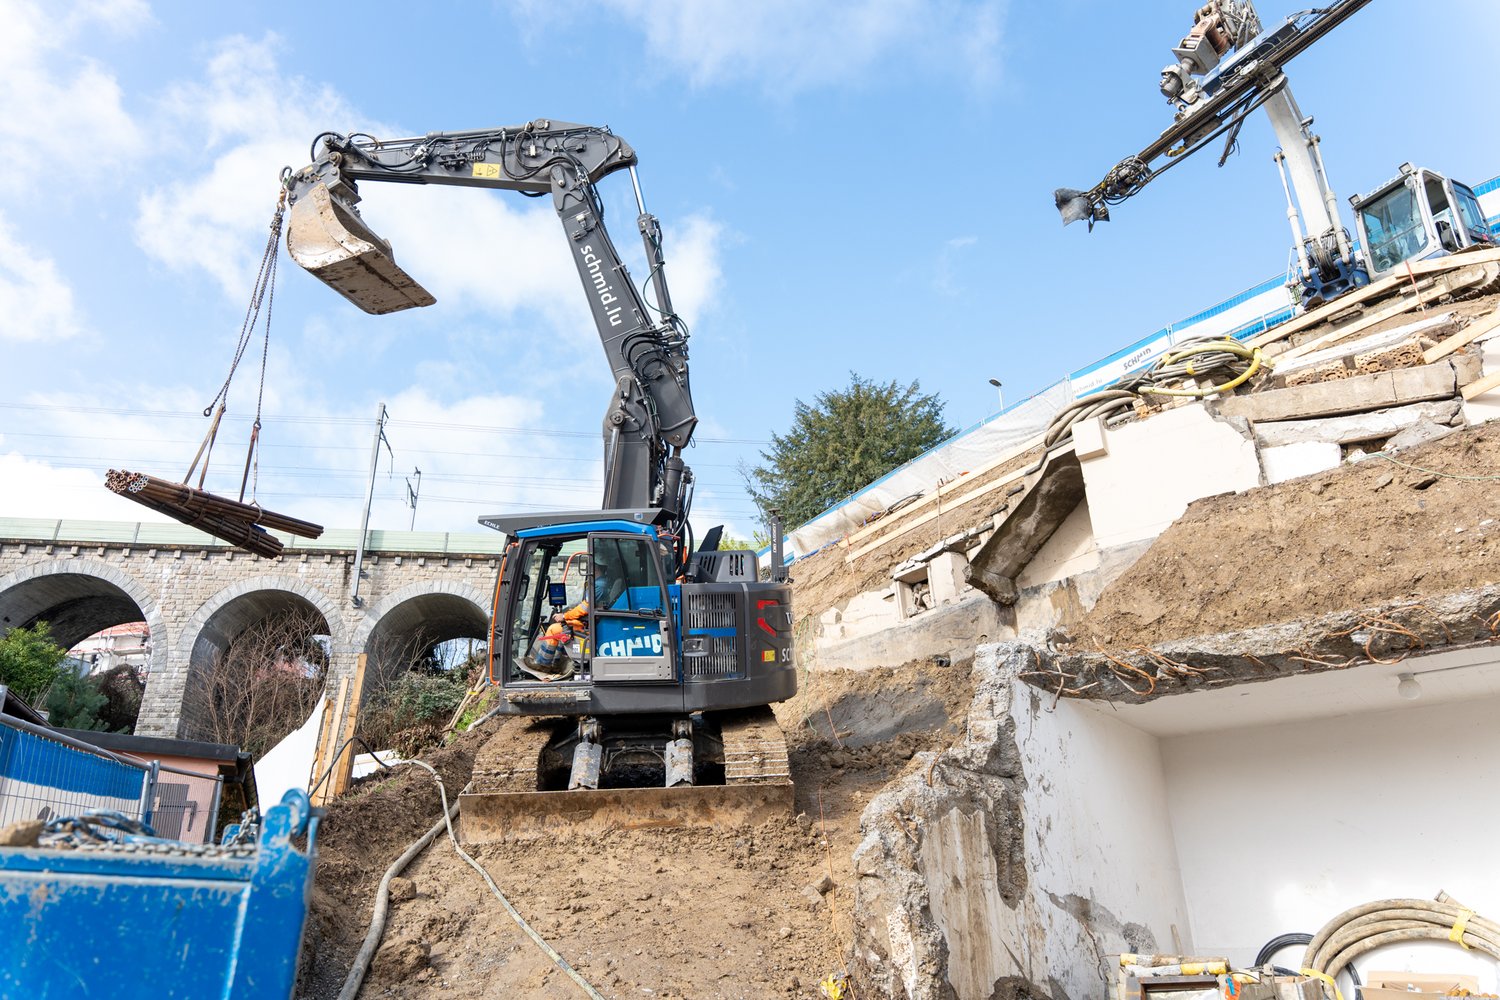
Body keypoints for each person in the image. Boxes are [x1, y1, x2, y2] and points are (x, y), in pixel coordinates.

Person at [521, 551, 617, 681]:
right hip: (592, 620)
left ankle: (543, 664)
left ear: (596, 567)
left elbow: (585, 608)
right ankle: (554, 664)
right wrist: (568, 613)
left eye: (591, 566)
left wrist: (565, 616)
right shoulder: (603, 583)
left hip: (588, 625)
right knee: (562, 628)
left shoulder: (598, 586)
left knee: (554, 629)